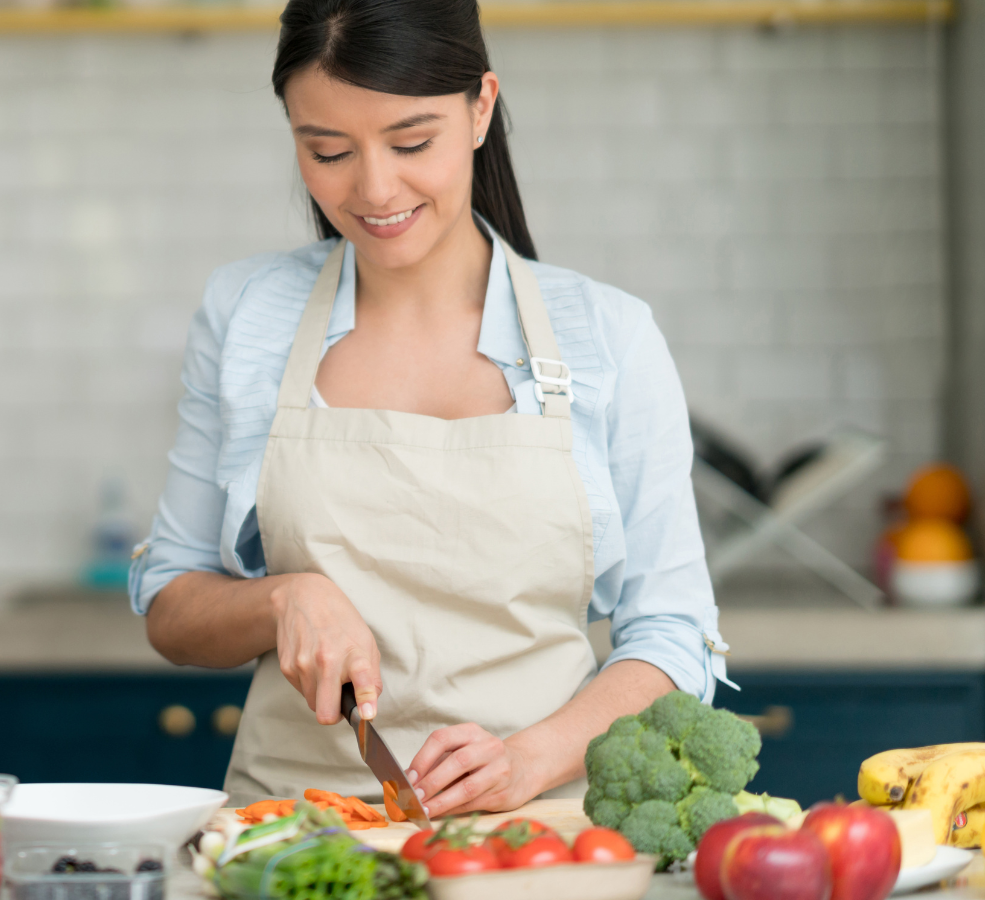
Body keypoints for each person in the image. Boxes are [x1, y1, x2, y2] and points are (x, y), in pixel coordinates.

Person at [130, 0, 730, 814]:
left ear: (481, 108)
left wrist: (529, 759)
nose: (375, 190)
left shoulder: (608, 337)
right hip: (296, 837)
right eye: (328, 150)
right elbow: (171, 602)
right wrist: (281, 599)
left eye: (412, 143)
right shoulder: (247, 315)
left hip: (534, 839)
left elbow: (673, 635)